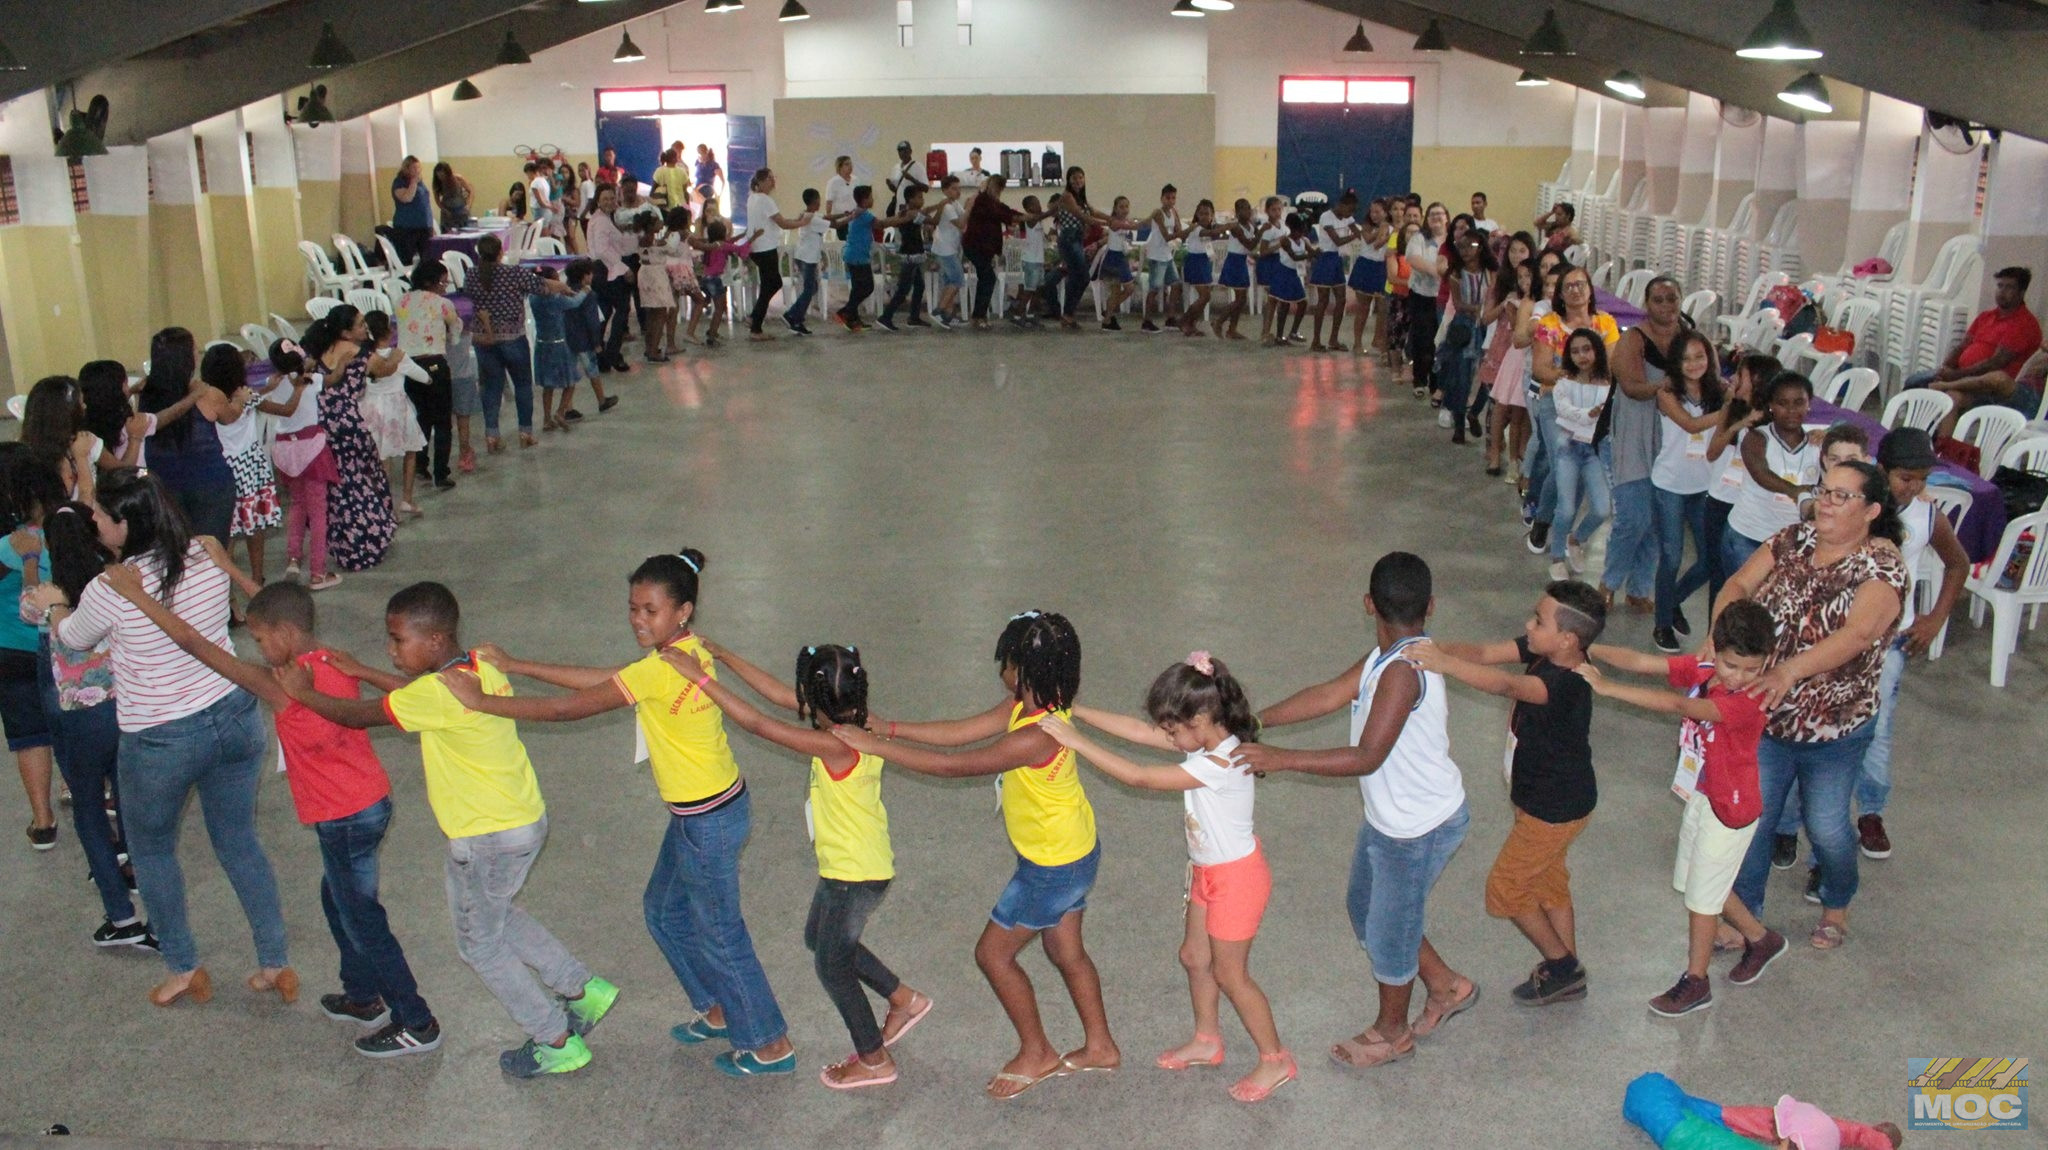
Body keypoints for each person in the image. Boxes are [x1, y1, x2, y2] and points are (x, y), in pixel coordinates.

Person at [441, 551, 791, 1076]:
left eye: (650, 610)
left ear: (683, 612)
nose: (637, 619)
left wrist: (482, 702)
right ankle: (718, 1009)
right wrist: (515, 666)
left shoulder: (666, 666)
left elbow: (567, 708)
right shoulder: (680, 655)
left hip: (708, 821)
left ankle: (770, 1044)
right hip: (703, 814)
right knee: (664, 911)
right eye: (632, 608)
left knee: (721, 932)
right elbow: (609, 678)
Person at [279, 581, 620, 1078]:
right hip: (523, 820)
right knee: (497, 913)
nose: (391, 650)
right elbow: (421, 697)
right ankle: (583, 990)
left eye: (398, 641)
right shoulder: (478, 666)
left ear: (435, 642)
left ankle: (555, 1039)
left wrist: (305, 694)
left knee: (478, 943)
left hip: (484, 837)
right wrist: (366, 671)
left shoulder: (437, 693)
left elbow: (357, 717)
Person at [103, 573, 444, 1057]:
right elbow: (284, 608)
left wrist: (136, 595)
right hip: (368, 804)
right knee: (338, 899)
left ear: (283, 634)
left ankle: (417, 1020)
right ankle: (364, 996)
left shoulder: (285, 684)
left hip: (345, 818)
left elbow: (195, 644)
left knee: (364, 919)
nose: (258, 647)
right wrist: (231, 569)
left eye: (260, 639)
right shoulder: (329, 657)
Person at [831, 611, 1120, 1101]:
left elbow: (953, 766)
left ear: (1022, 670)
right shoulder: (1031, 706)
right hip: (1071, 853)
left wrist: (873, 747)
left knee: (993, 954)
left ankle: (1037, 1053)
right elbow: (961, 731)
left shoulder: (1034, 736)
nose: (1000, 670)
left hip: (1050, 868)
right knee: (1064, 950)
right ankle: (1101, 1047)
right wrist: (891, 728)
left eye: (1005, 661)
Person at [36, 469, 290, 1009]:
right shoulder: (205, 552)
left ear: (125, 525)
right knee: (239, 839)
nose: (96, 522)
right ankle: (274, 962)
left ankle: (183, 967)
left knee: (151, 849)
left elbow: (73, 640)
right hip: (234, 715)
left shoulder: (113, 586)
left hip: (160, 737)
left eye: (101, 515)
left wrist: (55, 602)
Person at [1241, 552, 1476, 1070]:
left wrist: (1280, 760)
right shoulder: (1381, 658)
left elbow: (1367, 755)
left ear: (1369, 603)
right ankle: (1446, 986)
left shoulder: (1403, 672)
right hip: (1392, 820)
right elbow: (1328, 694)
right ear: (1430, 606)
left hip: (1419, 829)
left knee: (1390, 931)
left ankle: (1393, 1033)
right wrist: (1257, 721)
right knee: (1369, 910)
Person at [663, 642, 932, 1091]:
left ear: (816, 700)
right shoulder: (858, 720)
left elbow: (757, 722)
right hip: (851, 866)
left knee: (832, 966)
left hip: (855, 875)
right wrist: (724, 655)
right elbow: (774, 696)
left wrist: (700, 677)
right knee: (818, 938)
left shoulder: (833, 744)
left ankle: (873, 1058)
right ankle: (904, 999)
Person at [1047, 655, 1294, 1103]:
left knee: (1230, 974)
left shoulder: (1221, 762)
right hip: (1206, 871)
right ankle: (1207, 1039)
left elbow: (1140, 775)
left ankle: (1275, 1059)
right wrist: (1076, 710)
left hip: (1237, 880)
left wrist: (1074, 740)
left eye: (1173, 729)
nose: (1167, 737)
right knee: (1194, 957)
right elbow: (1141, 733)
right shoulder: (1203, 741)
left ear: (1200, 719)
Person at [1718, 460, 1909, 952]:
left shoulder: (1882, 567)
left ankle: (1836, 901)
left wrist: (1788, 671)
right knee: (1754, 821)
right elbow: (1739, 584)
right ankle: (1748, 918)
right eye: (1826, 490)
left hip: (1835, 730)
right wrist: (1718, 637)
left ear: (1870, 511)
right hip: (1767, 716)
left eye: (1843, 496)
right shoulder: (1794, 539)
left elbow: (1859, 633)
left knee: (1827, 828)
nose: (1827, 501)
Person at [1408, 580, 1606, 1007]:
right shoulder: (1546, 648)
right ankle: (1567, 971)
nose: (1528, 625)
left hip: (1554, 809)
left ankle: (1562, 966)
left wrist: (1443, 664)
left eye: (1538, 620)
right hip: (1542, 801)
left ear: (1568, 639)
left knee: (1506, 888)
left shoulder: (1567, 682)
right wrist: (1429, 647)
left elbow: (1506, 686)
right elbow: (1482, 654)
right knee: (1549, 883)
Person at [1581, 601, 1781, 1015]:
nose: (1740, 677)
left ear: (1768, 663)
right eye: (1730, 665)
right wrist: (1587, 648)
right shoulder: (1708, 671)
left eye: (1751, 669)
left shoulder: (1749, 701)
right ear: (1715, 648)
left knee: (1702, 901)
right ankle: (1761, 940)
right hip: (1705, 795)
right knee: (1700, 881)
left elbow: (1679, 706)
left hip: (1731, 809)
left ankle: (1696, 981)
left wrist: (1607, 688)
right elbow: (1640, 661)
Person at [32, 500, 149, 945]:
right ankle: (140, 874)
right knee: (129, 800)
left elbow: (34, 618)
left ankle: (119, 916)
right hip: (125, 709)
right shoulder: (116, 581)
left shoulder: (46, 596)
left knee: (87, 808)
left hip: (78, 720)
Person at [1854, 429, 1969, 862]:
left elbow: (1957, 563)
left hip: (1891, 640)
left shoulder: (1925, 515)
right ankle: (1791, 823)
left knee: (1878, 728)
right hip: (1840, 632)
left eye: (1921, 478)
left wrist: (1935, 617)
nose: (1914, 486)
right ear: (1881, 470)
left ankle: (1870, 811)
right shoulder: (1857, 506)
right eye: (1905, 477)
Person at [1523, 265, 1620, 555]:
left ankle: (1558, 527)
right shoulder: (1550, 325)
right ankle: (1546, 520)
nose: (1576, 290)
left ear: (1591, 290)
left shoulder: (1605, 323)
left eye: (1581, 284)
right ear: (1561, 295)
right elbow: (1541, 370)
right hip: (1556, 404)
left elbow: (1612, 368)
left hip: (1594, 408)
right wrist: (1578, 376)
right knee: (1563, 465)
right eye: (1569, 286)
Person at [1647, 330, 1725, 653]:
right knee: (1672, 555)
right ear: (1675, 363)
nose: (1694, 364)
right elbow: (1691, 426)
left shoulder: (1717, 391)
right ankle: (1662, 624)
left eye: (1700, 356)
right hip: (1670, 485)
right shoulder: (1666, 394)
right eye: (1687, 358)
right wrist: (1733, 413)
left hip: (1704, 486)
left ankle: (1671, 600)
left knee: (1709, 559)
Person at [1, 446, 60, 851]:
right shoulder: (64, 531)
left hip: (10, 651)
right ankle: (86, 790)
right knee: (69, 720)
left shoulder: (7, 545)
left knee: (29, 735)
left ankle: (43, 821)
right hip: (61, 642)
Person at [304, 309, 395, 572]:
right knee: (362, 479)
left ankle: (343, 544)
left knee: (337, 485)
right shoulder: (361, 354)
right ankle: (367, 541)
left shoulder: (320, 352)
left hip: (322, 424)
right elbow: (385, 369)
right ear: (345, 331)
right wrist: (397, 359)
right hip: (349, 422)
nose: (365, 328)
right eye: (360, 325)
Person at [1905, 266, 2042, 434]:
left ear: (2021, 293)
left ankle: (1942, 450)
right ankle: (1918, 437)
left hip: (1993, 389)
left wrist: (1954, 375)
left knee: (1949, 395)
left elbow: (1995, 363)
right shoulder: (1986, 316)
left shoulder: (2023, 323)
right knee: (1915, 381)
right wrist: (1945, 368)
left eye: (2009, 287)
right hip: (1964, 377)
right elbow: (1962, 346)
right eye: (2000, 286)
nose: (2002, 292)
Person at [466, 235, 571, 451]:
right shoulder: (512, 273)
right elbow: (542, 286)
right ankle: (525, 433)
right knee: (523, 385)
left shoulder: (471, 275)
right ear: (500, 253)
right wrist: (562, 286)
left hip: (484, 339)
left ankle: (492, 436)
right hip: (513, 337)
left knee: (491, 388)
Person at [1624, 1072, 1907, 1150]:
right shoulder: (1814, 1139)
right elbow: (1827, 1131)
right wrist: (1875, 1140)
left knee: (1647, 1090)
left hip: (1679, 1131)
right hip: (1689, 1126)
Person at [136, 328, 236, 543]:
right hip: (209, 483)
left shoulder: (146, 396)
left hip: (163, 485)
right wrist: (239, 401)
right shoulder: (208, 394)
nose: (198, 354)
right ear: (186, 358)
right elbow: (229, 417)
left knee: (175, 552)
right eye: (194, 350)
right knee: (210, 553)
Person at [197, 345, 282, 588]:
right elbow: (235, 413)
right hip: (249, 465)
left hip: (224, 465)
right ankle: (255, 577)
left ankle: (226, 585)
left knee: (228, 529)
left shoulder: (206, 398)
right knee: (253, 527)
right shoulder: (239, 399)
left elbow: (251, 398)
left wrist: (266, 388)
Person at [1722, 372, 1822, 577]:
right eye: (1783, 403)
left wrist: (1830, 436)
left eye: (1799, 402)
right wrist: (1798, 491)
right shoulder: (1756, 438)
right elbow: (1761, 474)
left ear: (1809, 404)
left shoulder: (1818, 443)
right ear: (1770, 406)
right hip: (1749, 536)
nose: (1792, 410)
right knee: (1746, 602)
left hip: (1794, 541)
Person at [262, 341, 338, 591]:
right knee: (318, 511)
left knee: (297, 505)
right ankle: (318, 572)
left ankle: (293, 558)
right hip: (311, 446)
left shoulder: (272, 383)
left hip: (285, 447)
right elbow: (332, 379)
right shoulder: (311, 380)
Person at [1547, 328, 1615, 581]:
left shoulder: (1610, 385)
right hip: (1568, 449)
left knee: (1601, 507)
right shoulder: (1563, 384)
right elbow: (1564, 410)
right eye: (1575, 351)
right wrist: (1589, 415)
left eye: (1587, 349)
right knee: (1565, 508)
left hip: (1595, 452)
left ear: (1597, 350)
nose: (1582, 356)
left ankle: (1576, 539)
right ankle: (1556, 557)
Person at [394, 259, 461, 490]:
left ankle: (420, 465)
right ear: (430, 282)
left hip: (408, 366)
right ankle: (441, 473)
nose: (445, 286)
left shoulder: (400, 301)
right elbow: (455, 329)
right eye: (443, 282)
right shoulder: (442, 304)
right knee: (442, 421)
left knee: (420, 416)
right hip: (434, 364)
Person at [359, 312, 427, 520]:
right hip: (397, 409)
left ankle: (383, 504)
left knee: (381, 458)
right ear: (389, 331)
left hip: (370, 408)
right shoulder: (398, 355)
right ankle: (406, 498)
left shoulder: (363, 356)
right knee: (410, 451)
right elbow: (423, 377)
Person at [964, 175, 1046, 329]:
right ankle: (978, 316)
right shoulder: (983, 200)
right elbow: (1001, 214)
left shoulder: (993, 202)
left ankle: (978, 316)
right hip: (976, 246)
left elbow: (1005, 210)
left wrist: (1020, 216)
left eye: (999, 188)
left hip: (984, 247)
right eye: (996, 187)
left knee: (986, 279)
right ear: (990, 186)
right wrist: (1021, 217)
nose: (997, 191)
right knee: (988, 279)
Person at [1483, 251, 1538, 477]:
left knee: (1524, 416)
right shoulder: (1516, 302)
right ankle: (1509, 459)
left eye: (1529, 277)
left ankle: (1522, 457)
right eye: (1521, 277)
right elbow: (1518, 330)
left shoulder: (1540, 301)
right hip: (1516, 359)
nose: (1525, 281)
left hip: (1530, 359)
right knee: (1510, 410)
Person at [1439, 230, 1496, 443]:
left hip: (1486, 327)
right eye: (1461, 247)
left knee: (1487, 375)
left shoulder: (1490, 272)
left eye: (1469, 246)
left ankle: (1474, 412)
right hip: (1464, 327)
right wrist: (1478, 309)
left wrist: (1485, 312)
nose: (1464, 252)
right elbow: (1458, 303)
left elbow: (1494, 296)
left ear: (1480, 247)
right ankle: (1460, 421)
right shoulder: (1456, 273)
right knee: (1461, 377)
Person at [742, 168, 810, 342]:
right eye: (770, 179)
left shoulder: (752, 198)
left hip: (757, 247)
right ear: (762, 181)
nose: (773, 182)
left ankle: (754, 320)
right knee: (773, 283)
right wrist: (802, 222)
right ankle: (755, 324)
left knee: (770, 283)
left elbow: (777, 221)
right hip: (765, 247)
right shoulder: (765, 200)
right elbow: (782, 223)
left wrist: (796, 220)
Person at [528, 265, 592, 430]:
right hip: (559, 344)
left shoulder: (534, 298)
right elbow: (575, 302)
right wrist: (585, 291)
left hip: (542, 343)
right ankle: (561, 411)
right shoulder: (555, 300)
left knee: (548, 385)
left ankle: (547, 419)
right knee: (570, 381)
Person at [584, 185, 637, 374]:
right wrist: (623, 269)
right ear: (598, 200)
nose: (609, 202)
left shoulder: (605, 219)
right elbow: (601, 250)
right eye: (605, 198)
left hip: (602, 271)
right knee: (622, 309)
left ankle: (600, 357)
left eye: (612, 198)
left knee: (605, 312)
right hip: (607, 271)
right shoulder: (600, 221)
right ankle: (612, 353)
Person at [557, 258, 617, 420]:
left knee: (570, 374)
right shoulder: (588, 295)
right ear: (585, 276)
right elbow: (592, 321)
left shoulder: (564, 292)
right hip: (584, 339)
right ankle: (601, 399)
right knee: (592, 370)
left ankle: (568, 408)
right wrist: (596, 342)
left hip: (567, 338)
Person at [1405, 202, 1451, 401]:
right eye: (1432, 214)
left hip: (1445, 299)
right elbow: (1414, 259)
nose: (1436, 217)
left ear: (1447, 217)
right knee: (1422, 339)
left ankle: (1437, 383)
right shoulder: (1419, 238)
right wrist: (1440, 272)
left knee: (1440, 342)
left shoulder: (1453, 241)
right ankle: (1419, 380)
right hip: (1422, 296)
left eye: (1440, 214)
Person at [875, 186, 933, 332]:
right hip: (910, 254)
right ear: (911, 199)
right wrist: (943, 205)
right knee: (903, 289)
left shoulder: (909, 212)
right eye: (919, 197)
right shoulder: (910, 214)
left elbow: (924, 212)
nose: (922, 200)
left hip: (914, 252)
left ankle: (914, 317)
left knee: (919, 285)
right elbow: (932, 220)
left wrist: (940, 205)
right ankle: (886, 317)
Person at [1308, 191, 1357, 351]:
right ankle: (1316, 340)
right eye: (1349, 210)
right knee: (1323, 301)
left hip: (1335, 258)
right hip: (1324, 258)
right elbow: (1337, 240)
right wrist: (1355, 236)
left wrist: (1360, 233)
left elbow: (1357, 231)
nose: (1350, 215)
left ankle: (1333, 339)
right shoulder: (1326, 217)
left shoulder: (1347, 217)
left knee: (1341, 299)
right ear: (1341, 205)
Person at [1347, 199, 1394, 355]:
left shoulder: (1391, 228)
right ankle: (1357, 343)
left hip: (1382, 267)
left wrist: (1388, 230)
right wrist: (1383, 232)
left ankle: (1378, 339)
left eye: (1378, 212)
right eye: (1372, 211)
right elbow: (1372, 242)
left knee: (1383, 308)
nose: (1373, 215)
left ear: (1386, 213)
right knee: (1363, 307)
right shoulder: (1366, 226)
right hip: (1366, 266)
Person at [1142, 184, 1188, 335]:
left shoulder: (1174, 212)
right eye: (1168, 197)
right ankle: (1147, 321)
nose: (1171, 201)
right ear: (1162, 198)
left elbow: (1179, 231)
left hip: (1167, 255)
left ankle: (1170, 317)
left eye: (1173, 197)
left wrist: (1184, 231)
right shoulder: (1158, 213)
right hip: (1156, 256)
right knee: (1154, 288)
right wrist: (1186, 231)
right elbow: (1167, 236)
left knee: (1176, 285)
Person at [782, 188, 828, 335]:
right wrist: (850, 218)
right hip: (807, 258)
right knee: (809, 289)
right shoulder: (812, 219)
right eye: (819, 199)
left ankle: (797, 317)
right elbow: (833, 224)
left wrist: (844, 214)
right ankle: (792, 316)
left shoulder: (807, 214)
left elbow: (828, 216)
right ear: (815, 201)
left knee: (812, 287)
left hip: (803, 256)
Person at [832, 187, 879, 332]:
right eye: (871, 197)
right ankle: (846, 311)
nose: (873, 200)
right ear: (864, 200)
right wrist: (903, 218)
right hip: (858, 256)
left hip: (854, 254)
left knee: (857, 288)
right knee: (867, 287)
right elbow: (881, 224)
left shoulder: (857, 212)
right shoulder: (864, 215)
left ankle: (852, 319)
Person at [926, 176, 968, 328]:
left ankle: (948, 315)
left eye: (959, 188)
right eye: (954, 188)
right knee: (957, 280)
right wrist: (970, 207)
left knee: (949, 282)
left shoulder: (954, 203)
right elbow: (961, 223)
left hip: (950, 247)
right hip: (945, 249)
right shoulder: (947, 207)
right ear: (945, 190)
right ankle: (939, 311)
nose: (958, 191)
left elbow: (965, 219)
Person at [388, 156, 433, 265]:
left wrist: (430, 224)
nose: (417, 171)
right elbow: (407, 198)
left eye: (418, 168)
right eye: (414, 168)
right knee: (406, 259)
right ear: (406, 169)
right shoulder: (399, 183)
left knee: (428, 259)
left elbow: (426, 203)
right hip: (407, 228)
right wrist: (413, 183)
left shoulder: (420, 183)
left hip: (424, 227)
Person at [883, 140, 927, 216]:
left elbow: (926, 188)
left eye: (905, 150)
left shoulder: (918, 166)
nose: (903, 153)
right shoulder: (896, 167)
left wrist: (911, 178)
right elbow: (898, 190)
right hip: (899, 206)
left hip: (912, 207)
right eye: (900, 151)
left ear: (910, 151)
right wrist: (890, 185)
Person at [431, 162, 473, 232]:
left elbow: (470, 191)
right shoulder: (438, 183)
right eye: (439, 176)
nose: (442, 178)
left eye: (443, 175)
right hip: (448, 213)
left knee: (464, 231)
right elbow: (437, 199)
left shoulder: (458, 179)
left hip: (461, 211)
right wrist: (443, 209)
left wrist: (468, 205)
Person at [824, 155, 857, 240]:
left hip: (856, 219)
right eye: (847, 164)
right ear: (840, 167)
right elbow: (829, 202)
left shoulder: (856, 179)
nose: (850, 167)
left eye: (851, 164)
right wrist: (831, 218)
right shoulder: (833, 182)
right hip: (842, 221)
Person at [693, 144, 724, 212]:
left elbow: (722, 181)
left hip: (708, 190)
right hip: (697, 190)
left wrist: (719, 194)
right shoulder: (698, 163)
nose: (701, 156)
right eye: (699, 154)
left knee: (706, 209)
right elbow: (696, 177)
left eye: (702, 153)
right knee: (698, 211)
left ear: (706, 152)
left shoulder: (714, 165)